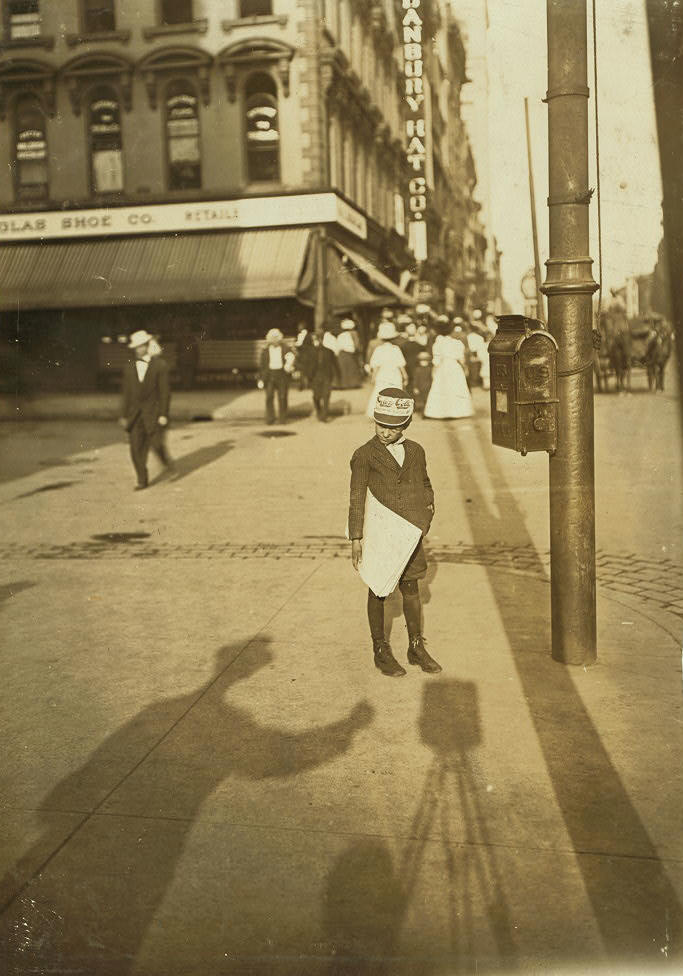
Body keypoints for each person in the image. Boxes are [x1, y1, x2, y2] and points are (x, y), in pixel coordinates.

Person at [348, 388, 442, 677]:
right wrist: (356, 539)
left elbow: (425, 484)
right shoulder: (364, 455)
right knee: (378, 587)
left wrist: (425, 515)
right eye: (381, 425)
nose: (386, 432)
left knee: (411, 587)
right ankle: (380, 648)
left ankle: (416, 646)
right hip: (380, 533)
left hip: (410, 532)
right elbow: (356, 498)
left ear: (405, 425)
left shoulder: (415, 451)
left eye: (393, 427)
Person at [119, 329, 171, 490]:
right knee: (135, 449)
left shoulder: (159, 366)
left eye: (140, 346)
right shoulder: (129, 368)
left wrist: (163, 413)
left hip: (153, 413)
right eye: (135, 347)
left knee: (156, 444)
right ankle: (142, 479)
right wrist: (123, 414)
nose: (138, 350)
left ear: (147, 345)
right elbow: (126, 393)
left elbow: (164, 392)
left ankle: (164, 459)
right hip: (135, 415)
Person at [424, 321, 474, 419]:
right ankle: (458, 411)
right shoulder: (457, 343)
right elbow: (461, 359)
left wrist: (434, 370)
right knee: (455, 387)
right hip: (455, 366)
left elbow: (436, 360)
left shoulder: (438, 343)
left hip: (443, 366)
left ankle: (441, 412)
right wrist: (465, 368)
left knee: (441, 388)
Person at [365, 321, 408, 418]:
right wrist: (405, 376)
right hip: (395, 374)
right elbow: (401, 365)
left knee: (380, 392)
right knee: (395, 392)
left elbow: (376, 366)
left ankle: (380, 412)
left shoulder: (378, 350)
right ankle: (394, 412)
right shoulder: (396, 349)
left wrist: (373, 377)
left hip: (382, 374)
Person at [258, 328, 294, 425]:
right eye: (272, 338)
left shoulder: (285, 349)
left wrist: (289, 365)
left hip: (282, 374)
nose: (274, 340)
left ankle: (282, 418)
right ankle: (270, 418)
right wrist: (261, 379)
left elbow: (292, 359)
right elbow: (262, 366)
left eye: (276, 338)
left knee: (282, 397)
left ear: (280, 339)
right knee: (269, 396)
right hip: (269, 375)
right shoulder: (265, 351)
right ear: (269, 339)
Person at [309, 329, 341, 421]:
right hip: (315, 376)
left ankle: (324, 415)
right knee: (316, 396)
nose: (318, 342)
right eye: (316, 340)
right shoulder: (311, 352)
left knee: (326, 395)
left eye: (320, 339)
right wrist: (308, 377)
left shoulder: (329, 351)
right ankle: (319, 410)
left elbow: (335, 364)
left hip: (326, 376)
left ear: (322, 340)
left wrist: (338, 376)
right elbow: (307, 365)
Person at [336, 317, 362, 388]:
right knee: (351, 368)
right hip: (349, 353)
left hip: (342, 353)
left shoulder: (340, 335)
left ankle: (344, 384)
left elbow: (338, 346)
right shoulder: (354, 334)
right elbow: (355, 345)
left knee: (343, 369)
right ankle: (352, 384)